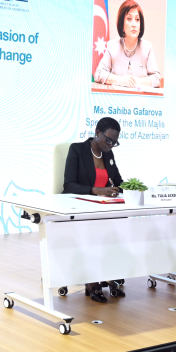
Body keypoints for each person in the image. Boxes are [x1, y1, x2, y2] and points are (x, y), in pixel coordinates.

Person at [62, 117, 125, 303]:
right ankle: (91, 280)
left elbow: (119, 182)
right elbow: (69, 185)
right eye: (109, 140)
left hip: (100, 208)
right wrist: (95, 190)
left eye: (114, 142)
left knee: (121, 224)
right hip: (78, 207)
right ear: (97, 133)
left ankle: (110, 274)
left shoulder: (108, 155)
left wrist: (134, 188)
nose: (111, 145)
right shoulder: (77, 150)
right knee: (94, 229)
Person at [93, 0, 162, 89]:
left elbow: (157, 79)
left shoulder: (147, 47)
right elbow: (98, 74)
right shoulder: (112, 46)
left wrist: (137, 82)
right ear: (122, 25)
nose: (134, 24)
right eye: (129, 19)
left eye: (137, 19)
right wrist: (119, 80)